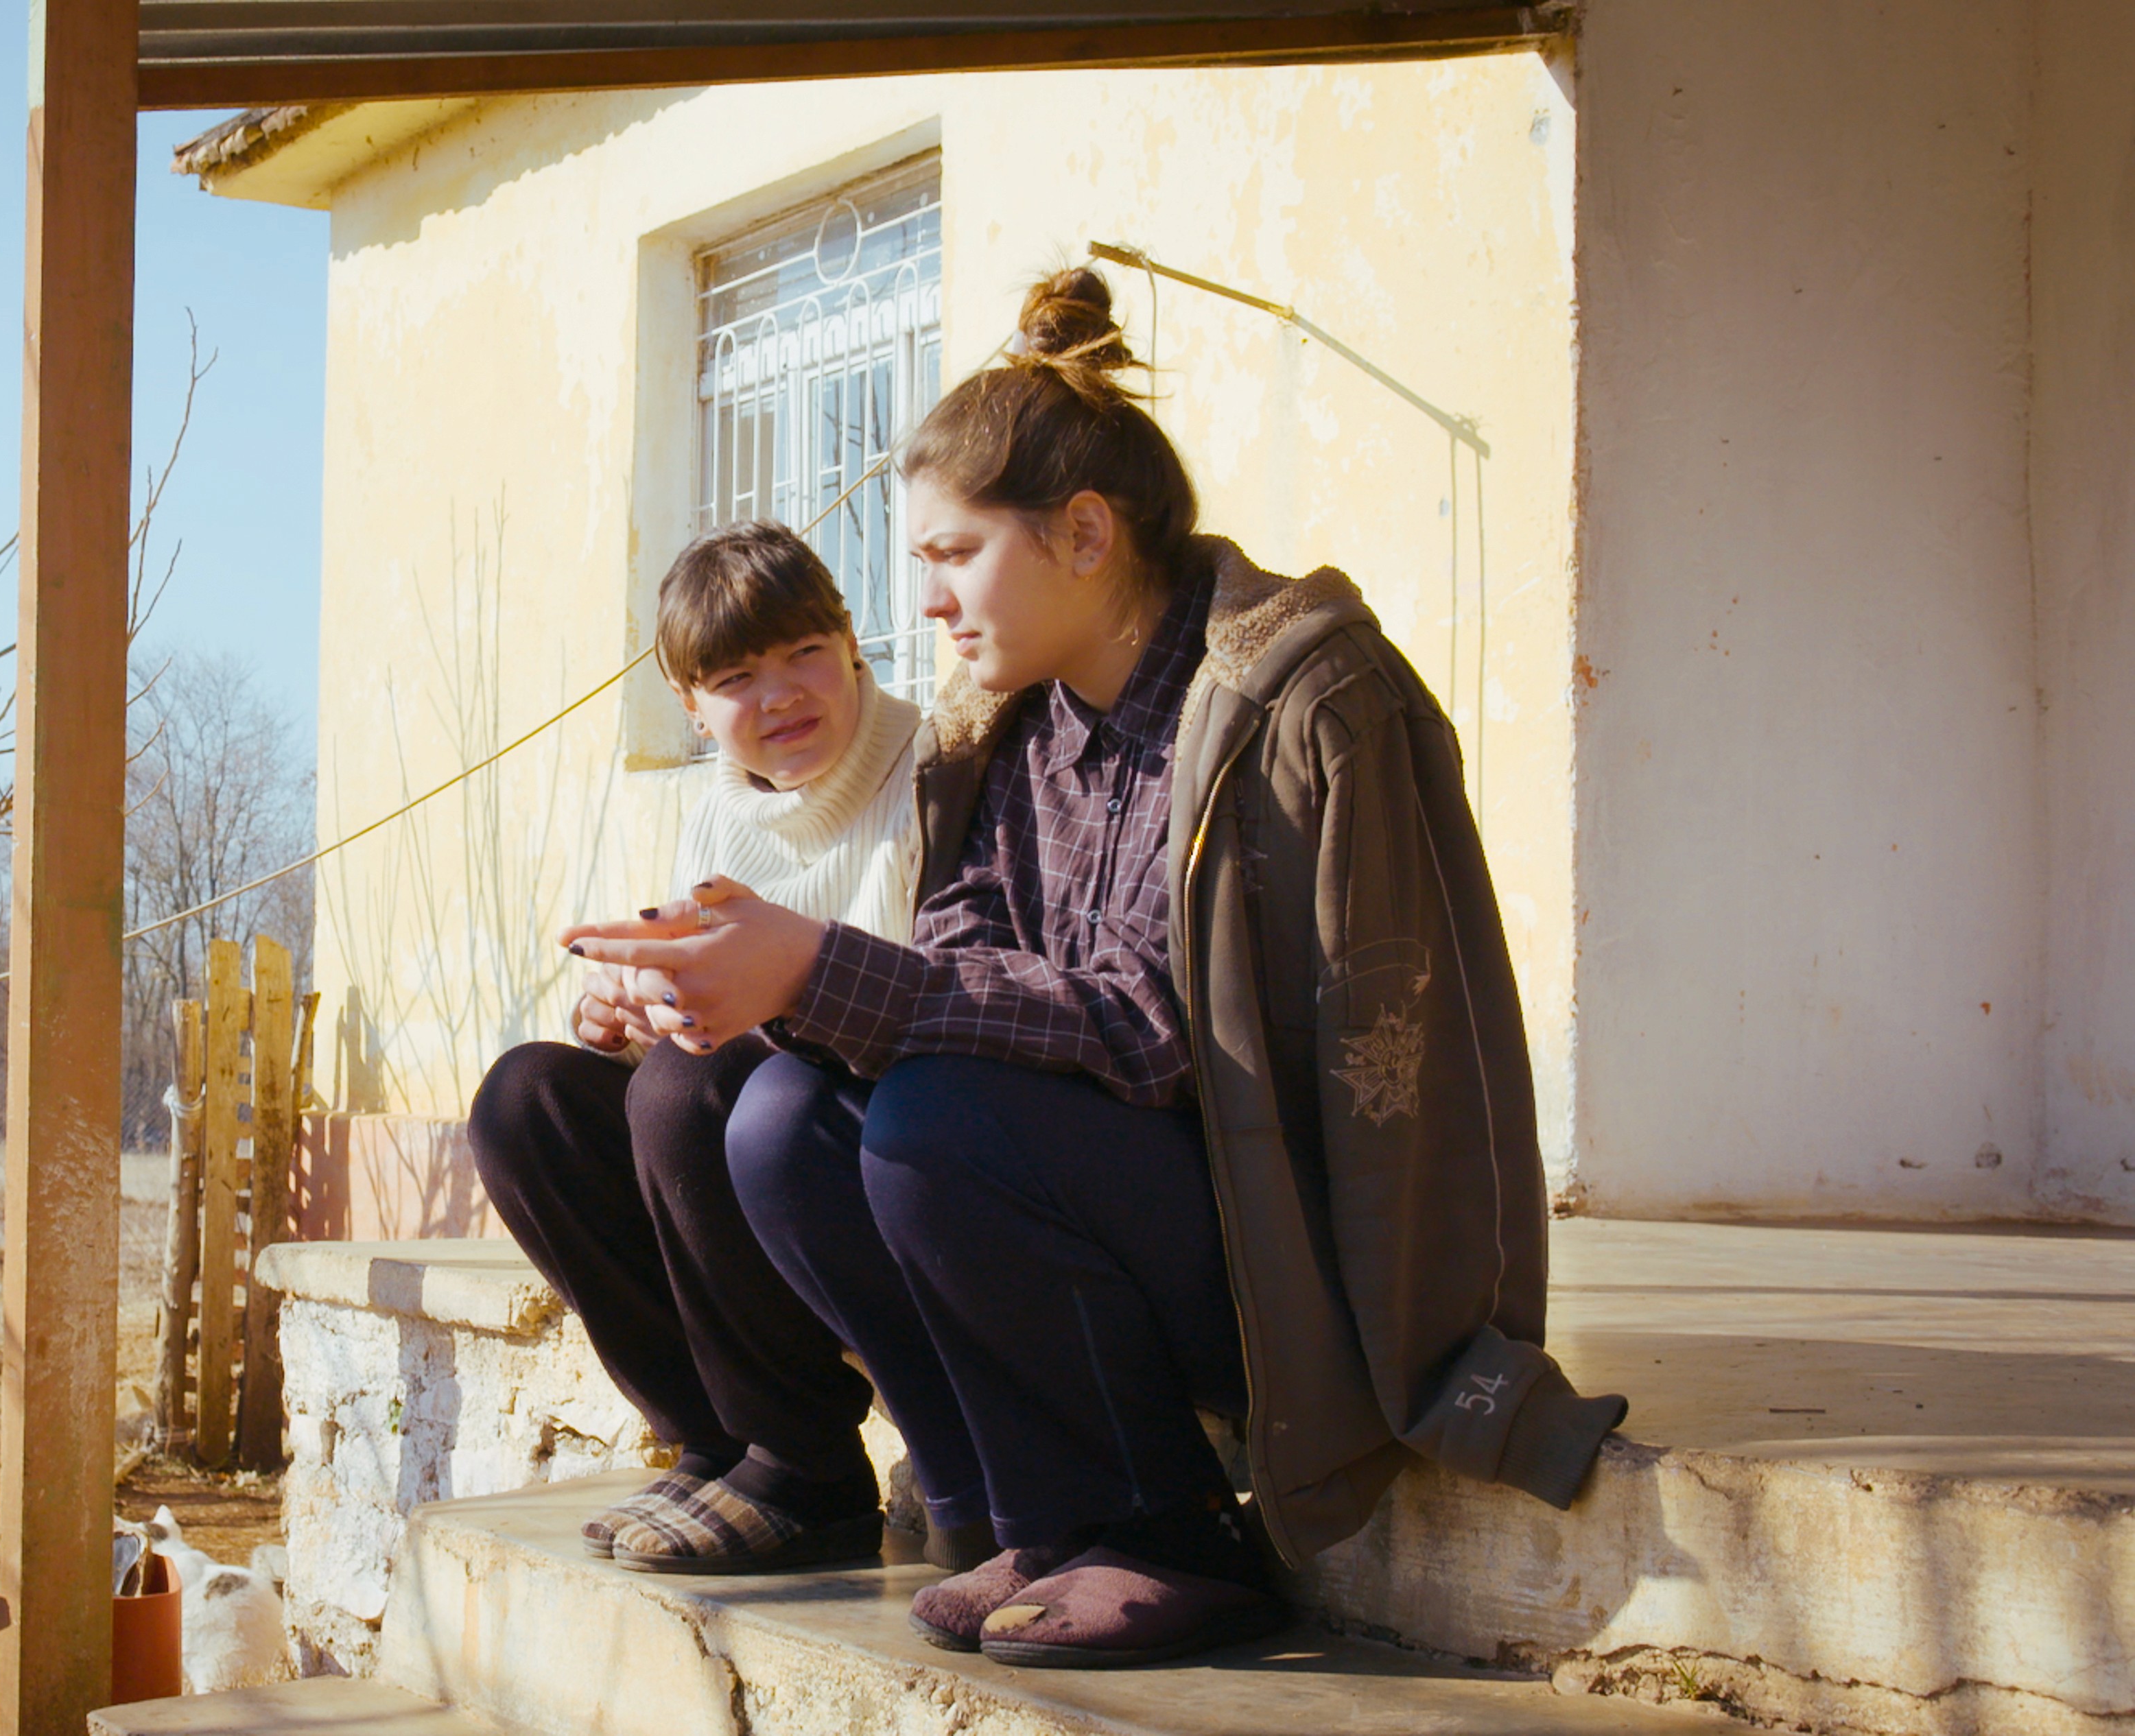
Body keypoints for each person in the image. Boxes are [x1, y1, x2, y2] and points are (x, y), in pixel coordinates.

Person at [566, 266, 1625, 1668]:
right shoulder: (1018, 731)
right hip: (1126, 1221)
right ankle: (1017, 1514)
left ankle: (1168, 1527)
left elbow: (1159, 1037)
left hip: (1284, 1265)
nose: (927, 605)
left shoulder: (1288, 701)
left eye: (953, 556)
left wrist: (817, 968)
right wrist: (758, 986)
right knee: (786, 1121)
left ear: (1082, 533)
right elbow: (961, 967)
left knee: (938, 1122)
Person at [467, 522, 991, 1578]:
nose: (782, 696)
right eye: (736, 677)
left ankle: (805, 1464)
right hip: (737, 1118)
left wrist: (724, 1023)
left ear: (853, 644)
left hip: (869, 1145)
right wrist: (627, 1013)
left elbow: (926, 999)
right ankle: (715, 1438)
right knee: (526, 1099)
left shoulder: (933, 768)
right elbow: (695, 1014)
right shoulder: (718, 818)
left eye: (804, 652)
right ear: (692, 707)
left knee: (691, 1082)